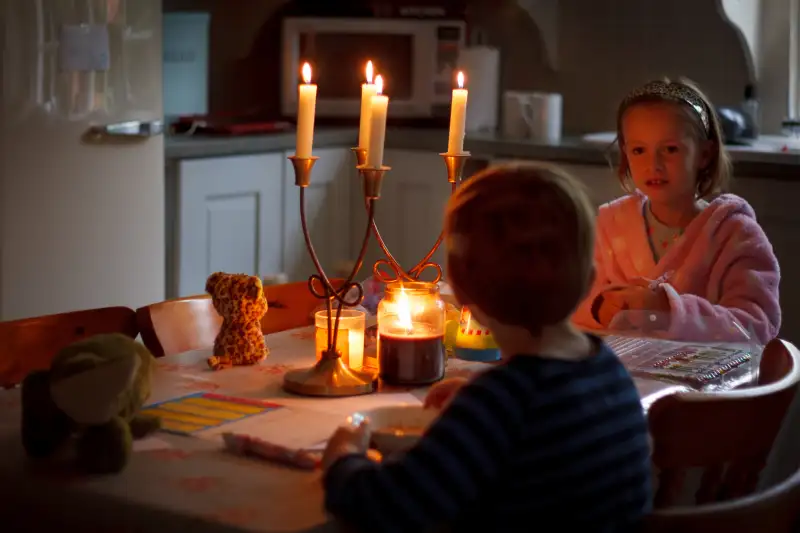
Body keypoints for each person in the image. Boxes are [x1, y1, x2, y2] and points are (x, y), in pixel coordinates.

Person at [321, 163, 653, 533]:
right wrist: (476, 402)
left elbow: (390, 506)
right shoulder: (607, 369)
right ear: (590, 279)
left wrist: (343, 456)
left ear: (462, 294)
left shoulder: (501, 403)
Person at [572, 78, 780, 344]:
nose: (653, 165)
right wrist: (601, 308)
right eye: (639, 150)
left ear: (704, 154)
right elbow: (574, 304)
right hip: (625, 379)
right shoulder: (610, 225)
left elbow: (757, 325)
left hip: (708, 383)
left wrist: (668, 310)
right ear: (626, 154)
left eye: (670, 149)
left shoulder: (735, 234)